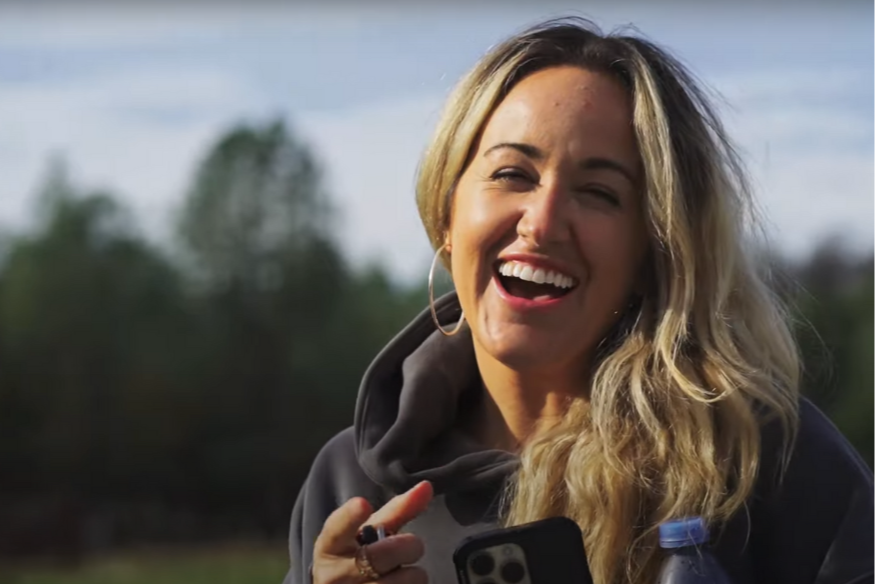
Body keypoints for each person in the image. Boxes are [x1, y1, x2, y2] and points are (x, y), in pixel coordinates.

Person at [283, 17, 875, 584]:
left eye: (598, 192)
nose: (542, 223)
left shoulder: (763, 460)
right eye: (512, 174)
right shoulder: (350, 485)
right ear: (447, 214)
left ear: (653, 253)